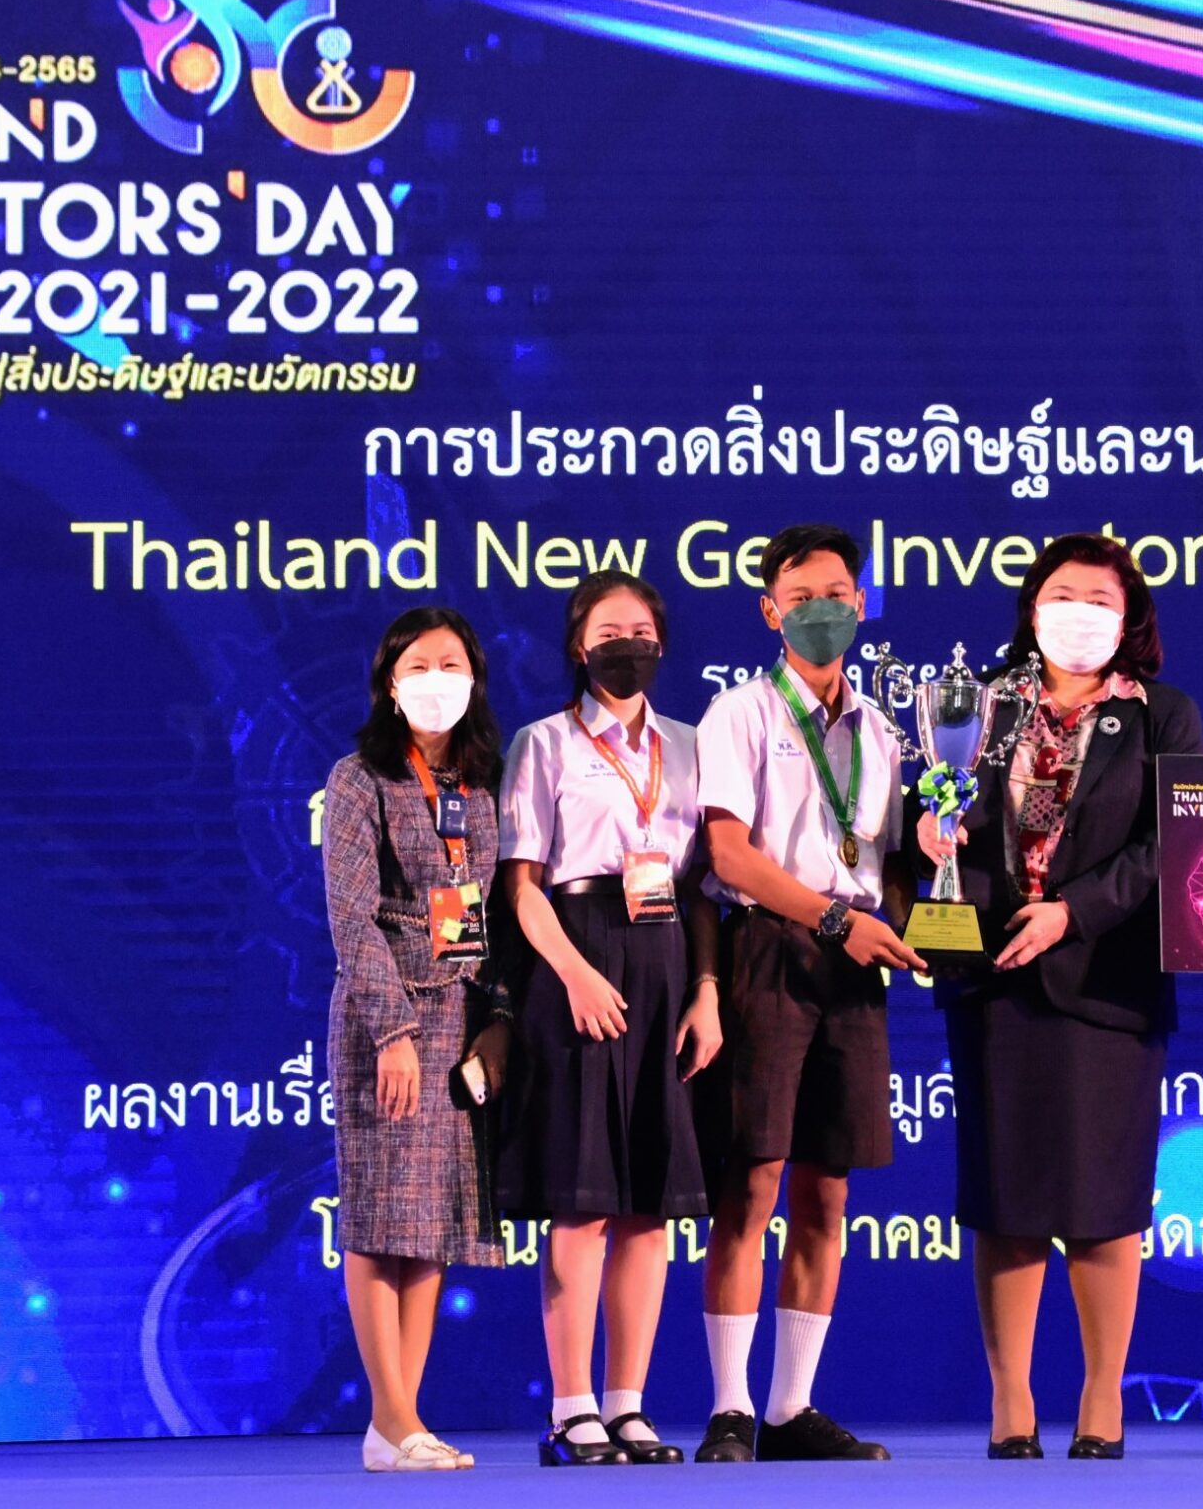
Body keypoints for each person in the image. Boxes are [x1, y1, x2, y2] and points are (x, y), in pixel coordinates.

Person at [913, 534, 1203, 1461]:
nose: (1079, 612)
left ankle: (1101, 1396)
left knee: (1103, 1199)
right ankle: (1011, 1400)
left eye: (1099, 599)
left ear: (1129, 617)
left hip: (1108, 981)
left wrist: (1072, 913)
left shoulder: (1161, 715)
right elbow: (936, 805)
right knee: (1006, 1196)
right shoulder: (978, 703)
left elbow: (1169, 846)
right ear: (1033, 607)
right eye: (1062, 594)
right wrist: (927, 829)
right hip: (993, 975)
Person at [692, 524, 924, 1462]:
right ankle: (730, 1408)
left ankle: (791, 1410)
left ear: (861, 604)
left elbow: (888, 862)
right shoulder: (739, 714)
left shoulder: (885, 732)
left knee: (829, 1188)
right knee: (751, 1183)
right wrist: (835, 919)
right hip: (770, 951)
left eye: (836, 594)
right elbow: (729, 854)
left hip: (855, 964)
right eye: (801, 598)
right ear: (770, 612)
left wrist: (920, 910)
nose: (821, 611)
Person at [497, 571, 723, 1466]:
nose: (628, 644)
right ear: (578, 646)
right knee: (583, 1200)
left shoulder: (691, 745)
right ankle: (571, 1410)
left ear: (661, 643)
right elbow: (522, 885)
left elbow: (703, 888)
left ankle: (629, 1406)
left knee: (648, 1208)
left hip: (665, 959)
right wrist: (575, 975)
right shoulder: (543, 742)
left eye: (641, 631)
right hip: (576, 956)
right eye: (608, 631)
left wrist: (706, 990)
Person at [321, 605, 510, 1473]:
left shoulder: (479, 784)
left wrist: (496, 1021)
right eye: (420, 666)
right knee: (378, 1218)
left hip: (458, 1016)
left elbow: (490, 914)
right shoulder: (360, 778)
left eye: (452, 664)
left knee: (431, 1223)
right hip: (385, 1015)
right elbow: (351, 916)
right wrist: (391, 1028)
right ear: (391, 685)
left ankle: (404, 1421)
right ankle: (391, 1417)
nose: (439, 680)